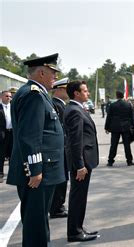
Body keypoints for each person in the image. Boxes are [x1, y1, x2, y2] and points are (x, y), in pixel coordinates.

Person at [6, 53, 66, 246]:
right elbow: (30, 136)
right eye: (53, 73)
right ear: (41, 72)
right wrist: (35, 169)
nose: (55, 78)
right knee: (36, 225)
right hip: (39, 173)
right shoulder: (33, 95)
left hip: (42, 171)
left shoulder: (35, 93)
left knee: (38, 222)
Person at [64, 80, 99, 242]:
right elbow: (75, 141)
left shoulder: (76, 108)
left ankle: (78, 227)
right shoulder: (74, 111)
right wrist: (79, 165)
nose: (88, 93)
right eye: (85, 91)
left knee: (80, 196)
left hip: (83, 161)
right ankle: (74, 232)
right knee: (78, 197)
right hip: (81, 163)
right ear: (76, 93)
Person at [49, 78, 70, 218]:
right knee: (60, 179)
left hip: (62, 147)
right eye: (66, 89)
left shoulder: (60, 104)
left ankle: (58, 206)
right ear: (59, 90)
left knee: (63, 178)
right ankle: (57, 207)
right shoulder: (56, 105)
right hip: (60, 148)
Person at [105, 91, 134, 166]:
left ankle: (110, 161)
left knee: (113, 145)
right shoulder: (128, 105)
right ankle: (129, 161)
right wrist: (133, 126)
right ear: (123, 96)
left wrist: (106, 127)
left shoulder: (112, 105)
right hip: (126, 127)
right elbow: (132, 117)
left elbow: (108, 117)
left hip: (115, 127)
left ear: (116, 96)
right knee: (127, 145)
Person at [0, 90, 13, 183]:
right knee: (1, 154)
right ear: (1, 97)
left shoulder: (13, 107)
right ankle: (0, 173)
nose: (8, 98)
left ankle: (12, 173)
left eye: (10, 96)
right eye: (6, 96)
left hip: (12, 133)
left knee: (12, 154)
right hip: (2, 134)